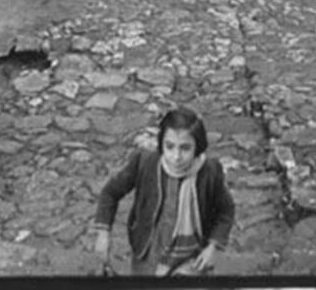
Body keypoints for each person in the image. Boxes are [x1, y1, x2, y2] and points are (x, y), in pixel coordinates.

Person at [93, 107, 235, 277]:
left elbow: (225, 210)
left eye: (185, 148)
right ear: (161, 144)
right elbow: (110, 193)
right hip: (149, 251)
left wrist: (213, 247)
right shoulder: (145, 163)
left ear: (198, 147)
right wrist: (103, 233)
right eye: (169, 147)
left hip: (191, 258)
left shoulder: (210, 172)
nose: (176, 157)